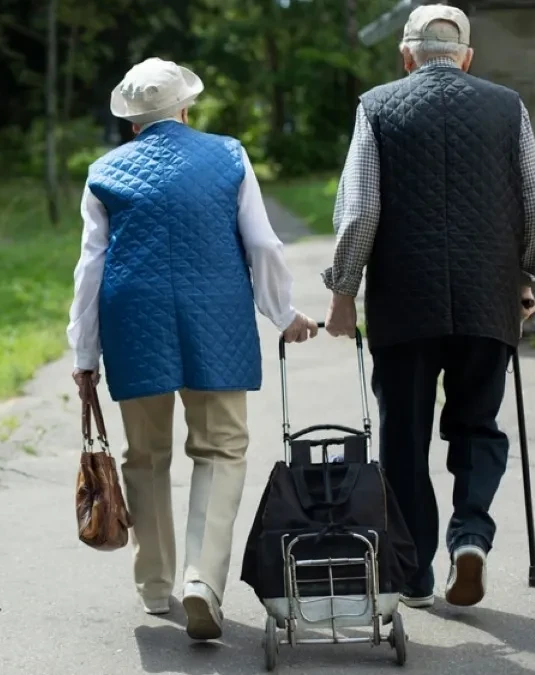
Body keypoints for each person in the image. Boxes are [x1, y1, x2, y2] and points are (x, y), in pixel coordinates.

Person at [66, 57, 319, 641]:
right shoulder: (229, 155)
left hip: (135, 322)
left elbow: (91, 268)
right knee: (221, 450)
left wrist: (84, 354)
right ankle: (203, 579)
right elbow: (262, 244)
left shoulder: (104, 172)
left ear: (133, 122)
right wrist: (283, 315)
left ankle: (156, 585)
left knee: (144, 456)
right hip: (216, 321)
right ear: (185, 109)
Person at [321, 5, 535, 610]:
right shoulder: (509, 107)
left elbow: (360, 210)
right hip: (487, 298)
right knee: (477, 425)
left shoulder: (376, 107)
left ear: (407, 56)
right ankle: (470, 536)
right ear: (467, 57)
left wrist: (343, 291)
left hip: (405, 304)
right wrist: (528, 275)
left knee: (404, 438)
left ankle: (414, 573)